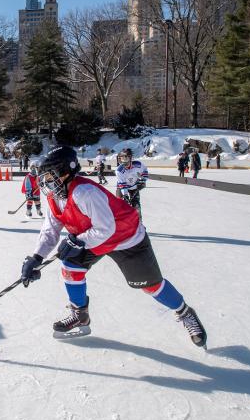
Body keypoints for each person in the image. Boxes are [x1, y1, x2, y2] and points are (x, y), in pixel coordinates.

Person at [19, 146, 207, 347]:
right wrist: (37, 257)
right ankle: (80, 314)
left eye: (50, 176)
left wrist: (77, 241)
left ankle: (185, 312)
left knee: (150, 285)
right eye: (44, 177)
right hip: (92, 238)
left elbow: (105, 229)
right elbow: (50, 230)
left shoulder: (85, 192)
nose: (46, 181)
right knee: (70, 265)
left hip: (126, 238)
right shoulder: (54, 197)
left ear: (67, 172)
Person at [115, 148, 148, 218]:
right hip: (121, 188)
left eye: (126, 158)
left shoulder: (138, 165)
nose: (124, 161)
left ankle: (139, 222)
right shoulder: (119, 171)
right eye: (122, 159)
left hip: (134, 186)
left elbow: (145, 171)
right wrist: (125, 195)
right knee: (119, 204)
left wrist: (143, 181)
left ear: (130, 158)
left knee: (137, 206)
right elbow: (123, 185)